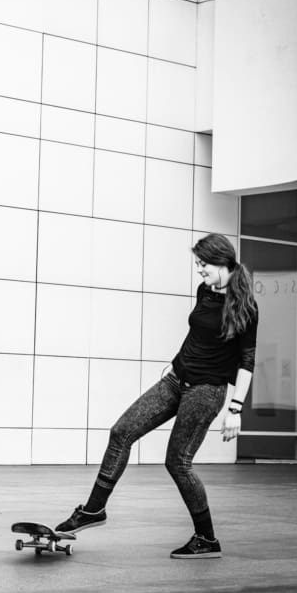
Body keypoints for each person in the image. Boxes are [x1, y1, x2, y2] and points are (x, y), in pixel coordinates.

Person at [56, 233, 258, 559]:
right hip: (176, 380)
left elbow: (247, 361)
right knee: (121, 431)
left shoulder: (246, 306)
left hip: (207, 392)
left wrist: (235, 408)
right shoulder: (205, 290)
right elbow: (201, 335)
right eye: (197, 264)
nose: (199, 271)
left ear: (222, 261)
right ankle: (94, 510)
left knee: (177, 462)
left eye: (203, 264)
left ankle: (206, 539)